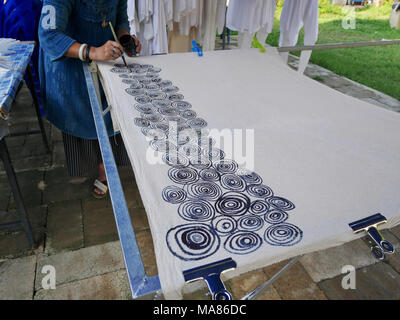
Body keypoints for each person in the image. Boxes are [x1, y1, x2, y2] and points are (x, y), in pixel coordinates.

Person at [38, 0, 141, 198]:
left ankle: (106, 169)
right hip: (71, 66)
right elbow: (48, 36)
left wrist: (125, 38)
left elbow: (120, 20)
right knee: (84, 118)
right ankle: (96, 166)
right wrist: (92, 52)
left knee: (111, 116)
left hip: (105, 63)